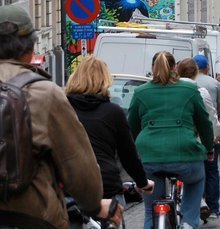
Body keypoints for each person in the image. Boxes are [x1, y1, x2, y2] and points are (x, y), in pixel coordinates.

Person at [0, 3, 121, 229]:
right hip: (30, 219)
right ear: (31, 46)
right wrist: (93, 206)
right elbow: (78, 167)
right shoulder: (46, 94)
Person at [128, 51, 214, 229]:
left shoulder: (140, 92)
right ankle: (189, 222)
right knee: (196, 179)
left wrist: (139, 151)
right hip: (185, 154)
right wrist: (208, 148)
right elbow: (204, 123)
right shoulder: (190, 90)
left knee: (150, 212)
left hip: (149, 157)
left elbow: (132, 127)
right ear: (176, 67)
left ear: (152, 68)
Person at [65, 56, 154, 210]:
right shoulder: (114, 112)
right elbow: (128, 155)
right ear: (105, 80)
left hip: (70, 184)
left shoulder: (62, 109)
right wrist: (143, 182)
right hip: (105, 183)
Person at [193, 54, 220, 219]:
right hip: (209, 133)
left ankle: (196, 202)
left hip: (189, 135)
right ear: (207, 67)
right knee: (212, 170)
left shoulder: (179, 85)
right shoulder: (214, 84)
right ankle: (213, 208)